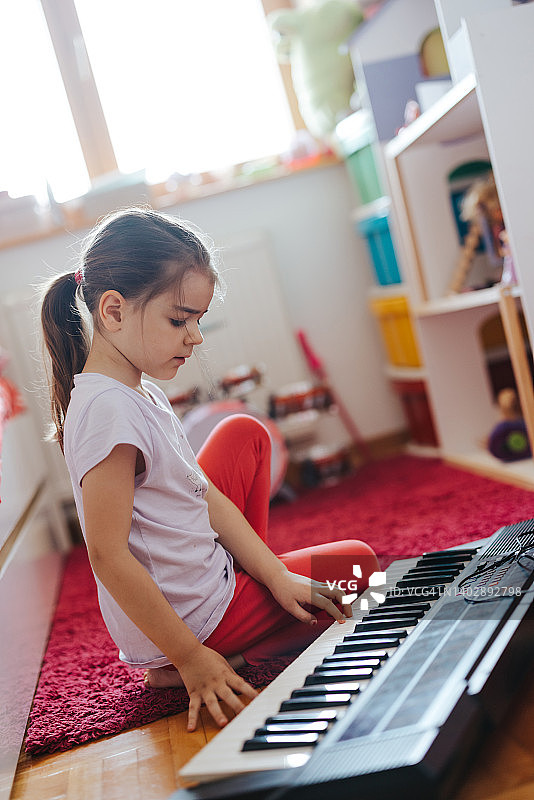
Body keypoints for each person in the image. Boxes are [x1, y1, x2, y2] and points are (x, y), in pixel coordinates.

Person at [40, 207, 379, 732]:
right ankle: (201, 657)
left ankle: (250, 606)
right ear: (112, 311)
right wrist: (193, 658)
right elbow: (107, 556)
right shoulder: (108, 410)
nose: (195, 337)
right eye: (180, 320)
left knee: (244, 435)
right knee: (358, 566)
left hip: (199, 588)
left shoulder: (136, 388)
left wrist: (275, 573)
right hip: (193, 618)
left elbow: (203, 493)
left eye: (197, 320)